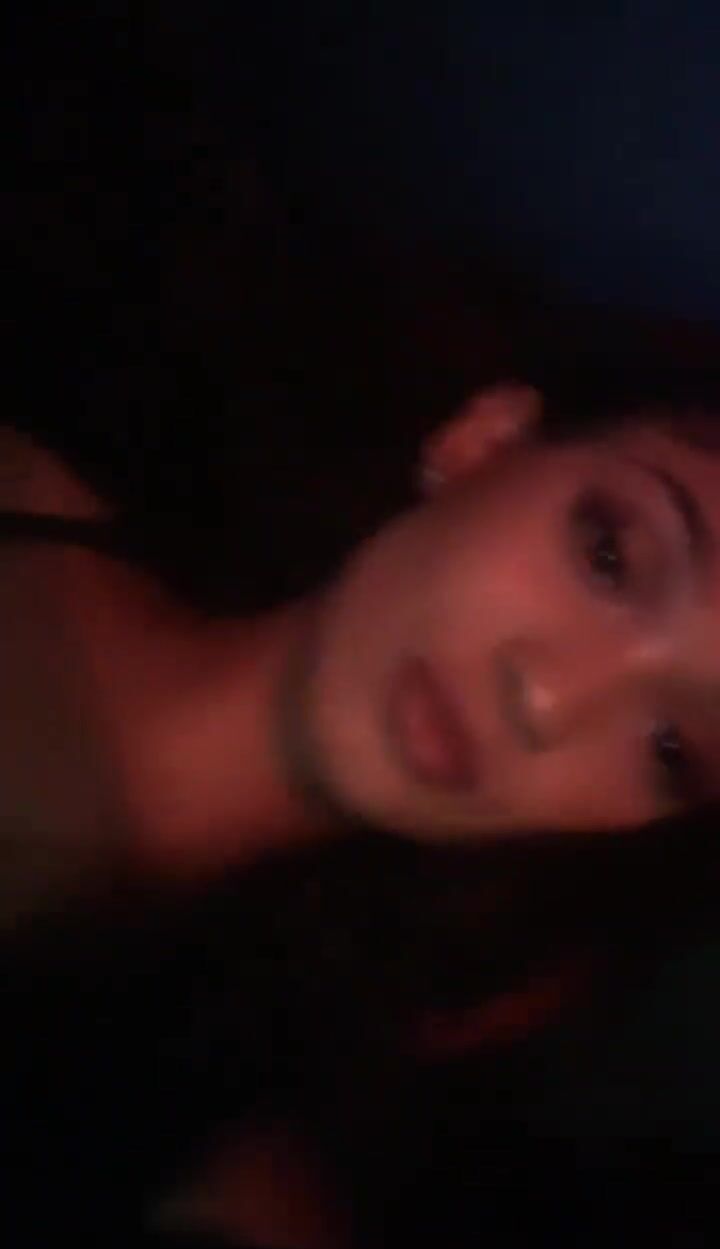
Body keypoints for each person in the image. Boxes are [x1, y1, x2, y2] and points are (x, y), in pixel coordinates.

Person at [4, 364, 720, 1247]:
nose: (550, 701)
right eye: (608, 555)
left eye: (671, 748)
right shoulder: (29, 479)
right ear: (483, 443)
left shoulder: (165, 1086)